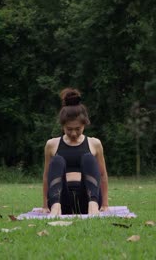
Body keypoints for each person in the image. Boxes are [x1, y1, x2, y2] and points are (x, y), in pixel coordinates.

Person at [42, 88, 109, 216]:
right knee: (57, 160)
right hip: (62, 200)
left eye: (78, 129)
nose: (73, 133)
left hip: (87, 199)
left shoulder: (95, 144)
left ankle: (93, 205)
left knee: (88, 158)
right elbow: (46, 177)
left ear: (84, 124)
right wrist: (45, 205)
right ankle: (56, 207)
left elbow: (103, 175)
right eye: (69, 129)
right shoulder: (52, 144)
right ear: (63, 126)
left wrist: (105, 204)